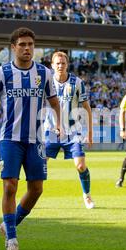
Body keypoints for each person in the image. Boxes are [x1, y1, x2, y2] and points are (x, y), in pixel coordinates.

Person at [0, 27, 61, 250]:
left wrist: (59, 123)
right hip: (10, 139)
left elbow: (54, 102)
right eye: (22, 45)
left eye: (31, 45)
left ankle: (10, 223)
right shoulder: (1, 73)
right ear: (13, 47)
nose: (27, 49)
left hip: (36, 140)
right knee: (9, 186)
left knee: (36, 189)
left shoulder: (44, 74)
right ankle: (12, 241)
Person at [45, 51, 95, 209]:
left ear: (67, 65)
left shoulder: (77, 83)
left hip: (73, 131)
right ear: (52, 65)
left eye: (63, 63)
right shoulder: (46, 82)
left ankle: (87, 196)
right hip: (51, 131)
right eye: (57, 63)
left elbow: (86, 108)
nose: (60, 66)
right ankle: (31, 197)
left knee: (80, 166)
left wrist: (90, 133)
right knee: (39, 165)